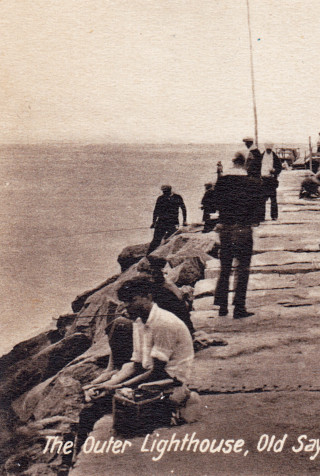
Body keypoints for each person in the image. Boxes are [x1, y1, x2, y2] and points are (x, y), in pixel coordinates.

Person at [73, 275, 194, 455]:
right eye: (125, 302)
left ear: (148, 297)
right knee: (96, 397)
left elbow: (157, 371)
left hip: (169, 381)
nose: (126, 306)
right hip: (151, 377)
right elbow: (136, 364)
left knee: (93, 409)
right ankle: (74, 454)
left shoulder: (163, 323)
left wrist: (117, 387)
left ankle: (72, 458)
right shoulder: (139, 322)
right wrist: (106, 383)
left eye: (132, 301)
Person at [212, 152, 265, 318]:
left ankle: (222, 306)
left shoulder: (222, 181)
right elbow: (258, 206)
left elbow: (213, 204)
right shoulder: (252, 182)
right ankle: (238, 307)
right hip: (243, 229)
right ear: (245, 164)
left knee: (225, 267)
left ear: (233, 162)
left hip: (225, 229)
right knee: (242, 269)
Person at [148, 185, 187, 254]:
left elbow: (183, 209)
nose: (164, 193)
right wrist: (153, 222)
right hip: (161, 221)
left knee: (171, 239)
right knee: (156, 240)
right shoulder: (160, 198)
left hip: (173, 222)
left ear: (170, 190)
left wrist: (184, 221)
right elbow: (156, 211)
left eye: (166, 191)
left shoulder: (177, 197)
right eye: (163, 192)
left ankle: (167, 255)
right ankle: (148, 255)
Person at [260, 144, 283, 220]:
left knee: (273, 199)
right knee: (262, 199)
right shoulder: (261, 156)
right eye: (267, 150)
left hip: (271, 180)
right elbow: (257, 167)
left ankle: (274, 216)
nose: (269, 151)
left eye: (270, 150)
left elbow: (279, 167)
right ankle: (262, 216)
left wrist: (274, 171)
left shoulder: (275, 157)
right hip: (263, 180)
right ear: (265, 149)